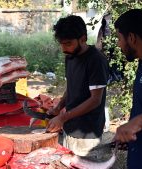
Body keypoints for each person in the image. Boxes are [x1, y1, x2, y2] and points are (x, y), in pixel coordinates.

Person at [46, 15, 109, 157]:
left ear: (83, 38)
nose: (64, 49)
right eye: (61, 44)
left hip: (88, 133)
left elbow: (95, 100)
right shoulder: (70, 56)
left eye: (68, 43)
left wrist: (63, 118)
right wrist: (58, 107)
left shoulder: (96, 60)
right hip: (70, 127)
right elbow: (72, 86)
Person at [114, 9, 142, 169]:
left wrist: (139, 121)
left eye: (120, 39)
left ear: (132, 37)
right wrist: (131, 131)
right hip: (140, 164)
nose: (119, 45)